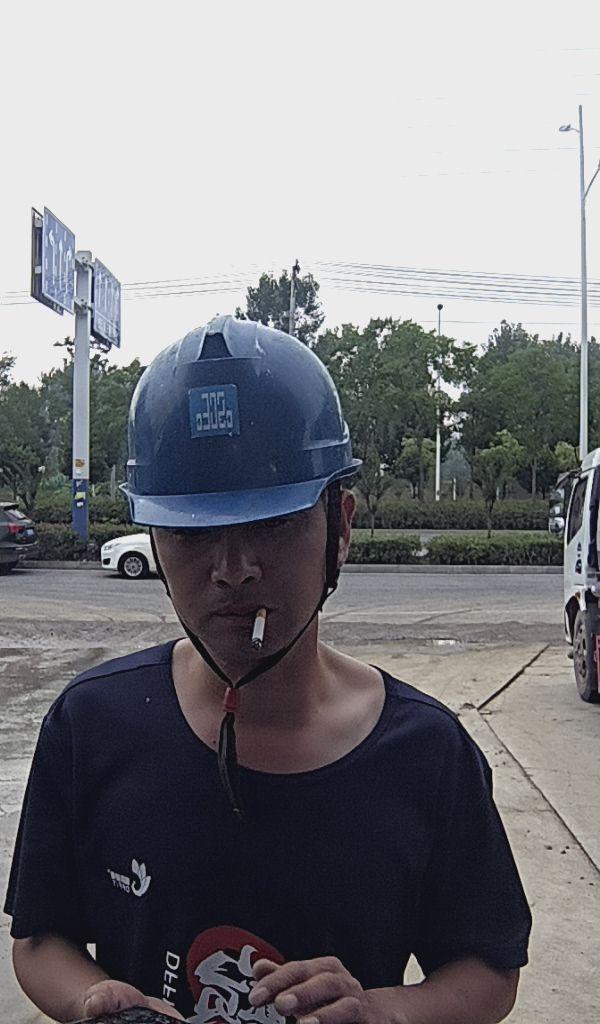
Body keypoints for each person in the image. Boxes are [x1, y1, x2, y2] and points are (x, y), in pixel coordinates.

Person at [5, 316, 532, 1024]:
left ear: (340, 527)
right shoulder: (91, 724)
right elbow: (41, 939)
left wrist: (381, 1011)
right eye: (192, 533)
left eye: (273, 525)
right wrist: (92, 1000)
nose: (233, 570)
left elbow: (488, 970)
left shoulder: (427, 754)